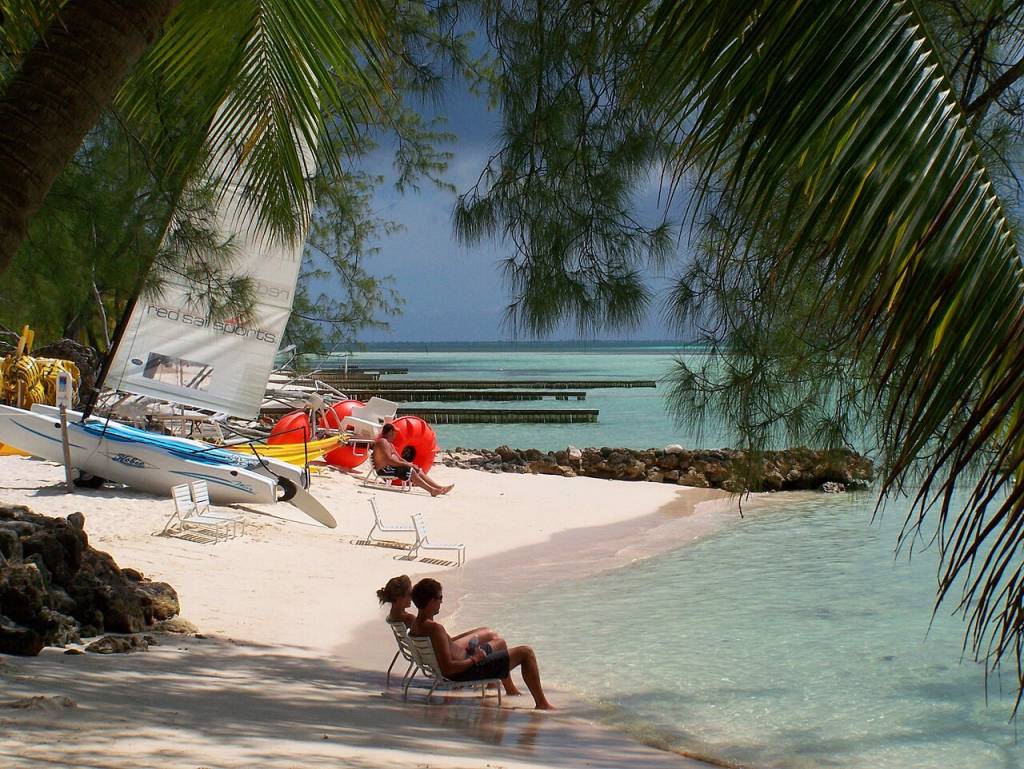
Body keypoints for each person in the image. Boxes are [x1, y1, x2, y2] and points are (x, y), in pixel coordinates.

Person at [409, 578, 553, 709]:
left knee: (500, 643)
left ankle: (511, 690)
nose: (442, 601)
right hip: (466, 671)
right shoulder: (435, 629)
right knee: (526, 653)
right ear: (431, 601)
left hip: (464, 661)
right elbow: (448, 669)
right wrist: (475, 659)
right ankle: (542, 704)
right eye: (440, 598)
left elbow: (445, 651)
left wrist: (470, 651)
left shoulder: (417, 625)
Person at [376, 575, 519, 694]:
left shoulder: (396, 616)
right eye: (409, 594)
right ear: (400, 597)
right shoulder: (410, 619)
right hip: (445, 653)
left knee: (485, 631)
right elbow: (438, 639)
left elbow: (434, 636)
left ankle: (495, 685)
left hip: (435, 649)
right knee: (493, 636)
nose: (412, 597)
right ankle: (502, 686)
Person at [373, 423, 453, 496]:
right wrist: (408, 465)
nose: (396, 435)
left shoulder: (389, 444)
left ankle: (439, 488)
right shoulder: (382, 442)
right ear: (390, 432)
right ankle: (432, 490)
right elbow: (389, 460)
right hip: (384, 470)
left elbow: (400, 458)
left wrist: (411, 464)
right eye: (395, 433)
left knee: (417, 470)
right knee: (410, 470)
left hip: (391, 467)